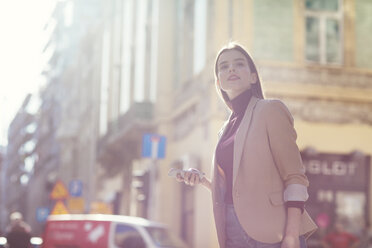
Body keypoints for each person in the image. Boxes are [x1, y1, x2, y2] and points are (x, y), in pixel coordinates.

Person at [173, 42, 317, 248]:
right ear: (218, 82)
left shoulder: (270, 110)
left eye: (239, 64)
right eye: (223, 66)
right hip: (231, 230)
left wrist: (292, 234)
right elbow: (238, 190)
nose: (230, 68)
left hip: (273, 232)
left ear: (253, 77)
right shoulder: (224, 129)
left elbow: (295, 177)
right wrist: (203, 180)